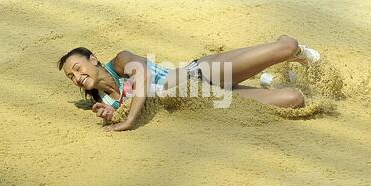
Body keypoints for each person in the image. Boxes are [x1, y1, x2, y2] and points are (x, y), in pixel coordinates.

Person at [57, 35, 320, 131]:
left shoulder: (122, 61)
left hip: (200, 75)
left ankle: (282, 46)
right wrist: (112, 114)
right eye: (72, 77)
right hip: (208, 101)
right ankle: (270, 81)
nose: (77, 76)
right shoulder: (104, 100)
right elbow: (121, 109)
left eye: (77, 68)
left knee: (288, 47)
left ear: (93, 59)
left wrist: (128, 120)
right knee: (294, 99)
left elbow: (145, 80)